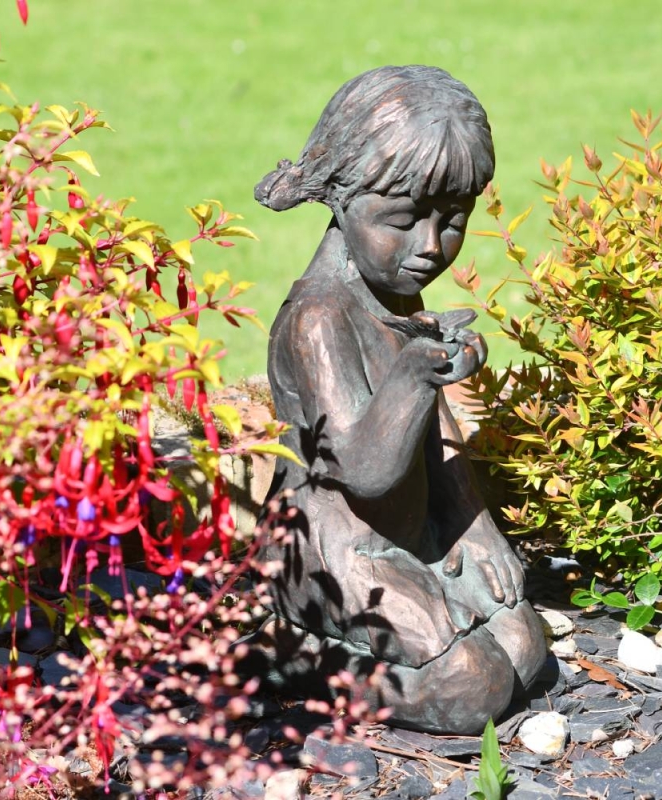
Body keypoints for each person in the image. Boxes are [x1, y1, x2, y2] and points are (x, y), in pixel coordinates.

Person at [253, 65, 545, 734]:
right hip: (337, 550)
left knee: (527, 650)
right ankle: (300, 653)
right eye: (404, 220)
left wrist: (475, 522)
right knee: (476, 687)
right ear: (342, 198)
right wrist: (415, 375)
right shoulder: (317, 320)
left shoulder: (396, 298)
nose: (430, 247)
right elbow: (365, 468)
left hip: (416, 536)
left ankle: (395, 644)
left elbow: (437, 439)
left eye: (454, 221)